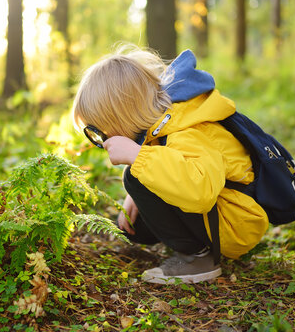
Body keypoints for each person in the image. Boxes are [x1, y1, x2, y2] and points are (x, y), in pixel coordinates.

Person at [72, 45, 269, 284]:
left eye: (100, 131)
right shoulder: (163, 123)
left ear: (123, 115)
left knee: (134, 177)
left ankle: (197, 259)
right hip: (222, 215)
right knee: (135, 218)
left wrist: (138, 158)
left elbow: (200, 190)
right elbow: (169, 161)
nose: (102, 140)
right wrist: (137, 193)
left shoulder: (188, 129)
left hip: (235, 223)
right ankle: (191, 245)